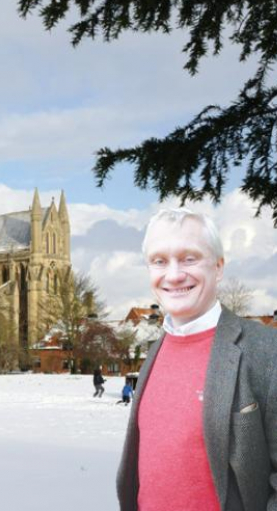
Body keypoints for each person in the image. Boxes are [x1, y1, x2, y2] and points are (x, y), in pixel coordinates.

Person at [117, 208, 277, 510]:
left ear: (218, 267)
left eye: (189, 258)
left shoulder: (265, 349)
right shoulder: (156, 350)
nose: (174, 275)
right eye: (159, 261)